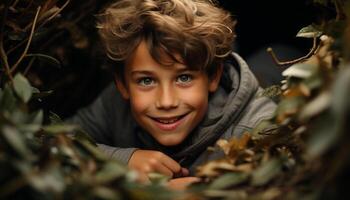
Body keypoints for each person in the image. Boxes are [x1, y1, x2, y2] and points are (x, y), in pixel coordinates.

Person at [67, 0, 276, 188]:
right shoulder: (115, 103)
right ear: (122, 85)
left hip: (272, 70)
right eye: (146, 80)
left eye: (184, 78)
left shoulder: (258, 128)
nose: (166, 102)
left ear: (213, 77)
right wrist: (120, 160)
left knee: (275, 53)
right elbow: (43, 140)